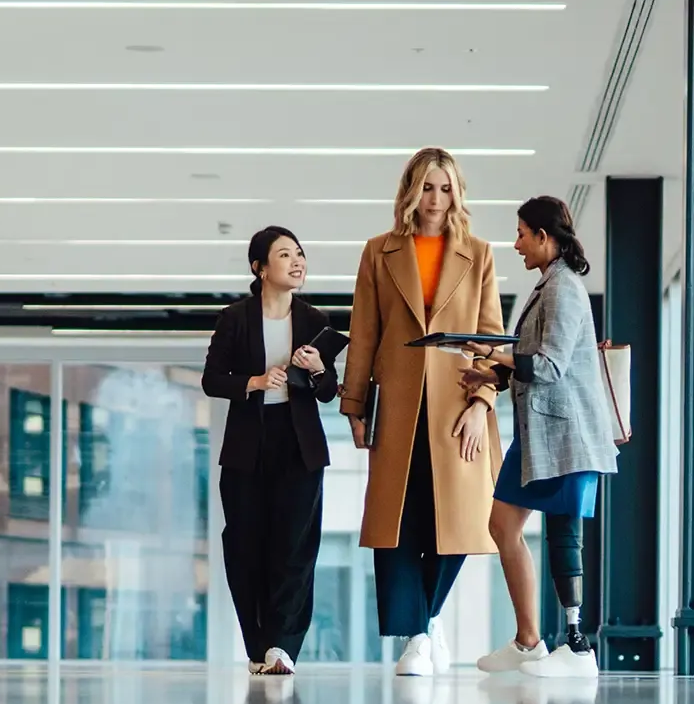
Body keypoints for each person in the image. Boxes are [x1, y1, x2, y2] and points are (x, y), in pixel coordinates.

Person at [341, 147, 504, 677]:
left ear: (458, 193)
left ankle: (427, 619)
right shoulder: (377, 252)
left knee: (456, 519)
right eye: (428, 187)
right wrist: (355, 405)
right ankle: (417, 633)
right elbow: (364, 333)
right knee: (396, 520)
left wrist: (482, 403)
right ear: (411, 190)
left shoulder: (478, 253)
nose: (437, 199)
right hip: (399, 403)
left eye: (446, 188)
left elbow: (491, 337)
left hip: (458, 403)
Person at [466, 197, 621, 679]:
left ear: (543, 237)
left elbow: (550, 366)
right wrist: (493, 372)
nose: (516, 245)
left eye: (521, 234)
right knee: (501, 525)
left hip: (566, 433)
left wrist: (500, 356)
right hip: (538, 432)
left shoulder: (565, 289)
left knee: (562, 532)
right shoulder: (548, 286)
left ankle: (575, 646)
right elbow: (536, 363)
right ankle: (529, 641)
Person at [202, 226, 336, 675]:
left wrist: (318, 370)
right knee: (245, 545)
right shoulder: (236, 317)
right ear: (260, 268)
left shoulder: (315, 320)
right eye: (285, 255)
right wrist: (255, 382)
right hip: (247, 444)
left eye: (300, 253)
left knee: (295, 546)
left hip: (300, 444)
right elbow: (211, 379)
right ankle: (258, 647)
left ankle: (283, 646)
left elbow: (328, 392)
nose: (297, 262)